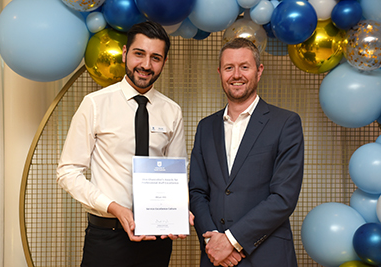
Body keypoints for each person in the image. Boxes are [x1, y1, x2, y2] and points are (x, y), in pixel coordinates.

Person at [57, 21, 191, 267]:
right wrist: (114, 207)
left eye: (156, 58)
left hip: (157, 239)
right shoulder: (95, 104)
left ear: (165, 61)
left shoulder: (172, 111)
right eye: (139, 54)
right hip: (106, 237)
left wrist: (179, 209)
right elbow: (68, 172)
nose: (146, 65)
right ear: (125, 53)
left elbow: (176, 171)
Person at [189, 38, 304, 267]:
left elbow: (283, 198)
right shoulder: (205, 127)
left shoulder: (286, 123)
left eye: (244, 67)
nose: (236, 75)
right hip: (215, 257)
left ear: (259, 71)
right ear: (220, 72)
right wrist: (214, 240)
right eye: (229, 68)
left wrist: (231, 241)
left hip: (267, 256)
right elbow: (197, 192)